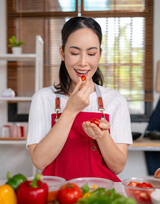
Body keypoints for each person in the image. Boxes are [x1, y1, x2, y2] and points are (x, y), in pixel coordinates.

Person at [27, 17, 132, 181]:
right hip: (57, 196)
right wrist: (70, 110)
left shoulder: (116, 101)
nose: (83, 63)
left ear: (100, 55)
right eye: (75, 53)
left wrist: (102, 136)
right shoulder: (42, 98)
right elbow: (39, 161)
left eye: (91, 53)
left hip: (102, 197)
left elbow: (118, 167)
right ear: (62, 53)